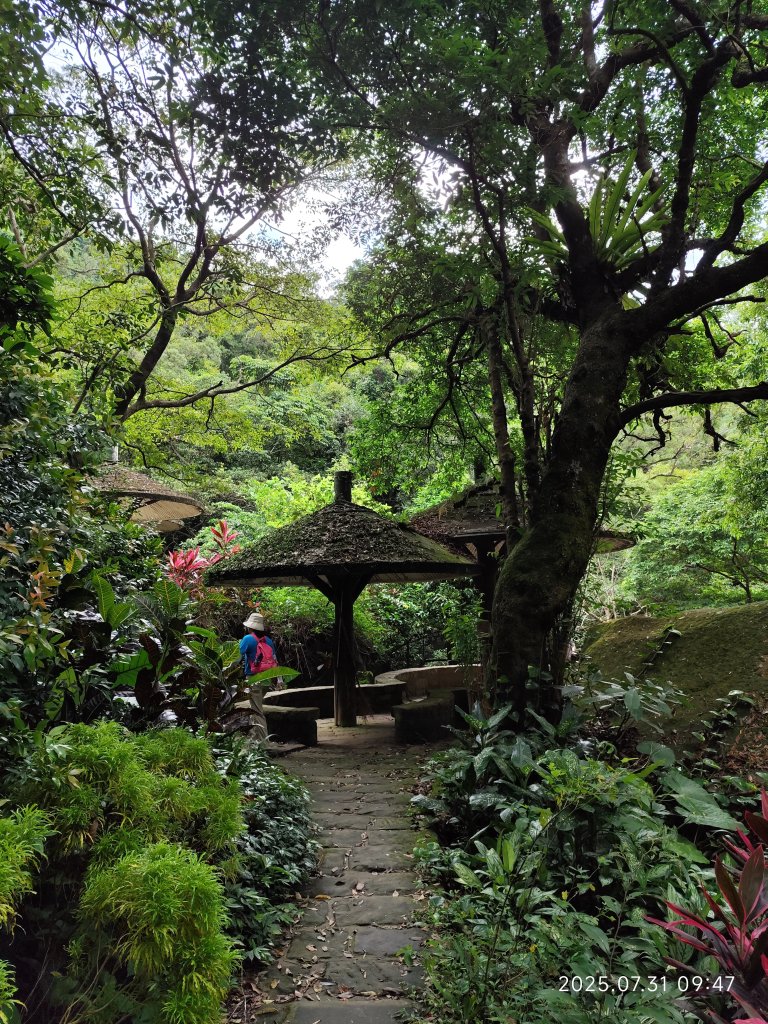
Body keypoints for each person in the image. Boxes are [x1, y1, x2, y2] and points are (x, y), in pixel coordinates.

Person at [239, 612, 276, 741]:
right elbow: (275, 660)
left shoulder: (247, 639)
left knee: (257, 711)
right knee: (255, 707)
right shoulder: (269, 641)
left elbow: (236, 657)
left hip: (254, 679)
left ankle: (263, 744)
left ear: (251, 627)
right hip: (267, 679)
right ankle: (254, 739)